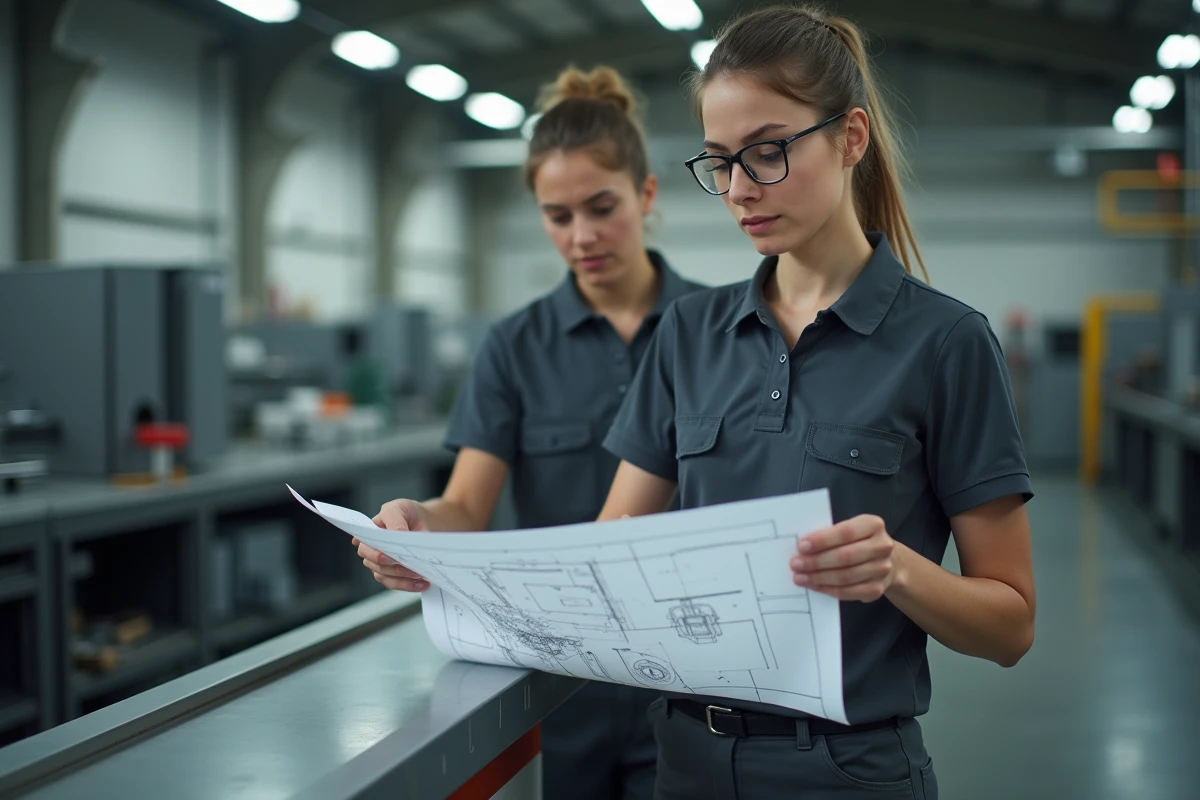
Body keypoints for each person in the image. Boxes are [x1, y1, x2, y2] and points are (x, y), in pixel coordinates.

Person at [595, 6, 1036, 799]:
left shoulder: (945, 344)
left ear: (851, 138)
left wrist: (895, 568)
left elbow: (1011, 624)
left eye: (767, 153)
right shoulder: (688, 333)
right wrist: (437, 550)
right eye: (720, 162)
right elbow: (609, 552)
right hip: (685, 761)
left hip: (848, 771)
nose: (738, 190)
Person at [354, 66, 704, 800]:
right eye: (557, 215)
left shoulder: (717, 331)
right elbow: (467, 507)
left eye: (601, 207)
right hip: (559, 684)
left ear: (646, 194)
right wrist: (417, 528)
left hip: (690, 685)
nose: (580, 236)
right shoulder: (514, 346)